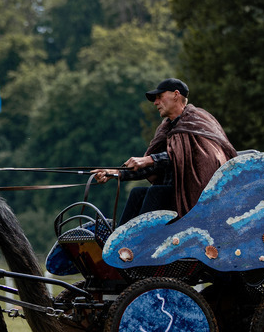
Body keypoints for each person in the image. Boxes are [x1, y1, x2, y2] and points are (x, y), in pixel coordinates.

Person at [94, 78, 237, 223]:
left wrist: (149, 160)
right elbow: (155, 165)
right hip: (171, 195)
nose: (155, 102)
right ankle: (120, 236)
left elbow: (186, 156)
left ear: (176, 95)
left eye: (160, 97)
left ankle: (143, 236)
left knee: (156, 192)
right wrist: (115, 172)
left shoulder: (196, 122)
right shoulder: (167, 129)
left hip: (193, 198)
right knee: (137, 193)